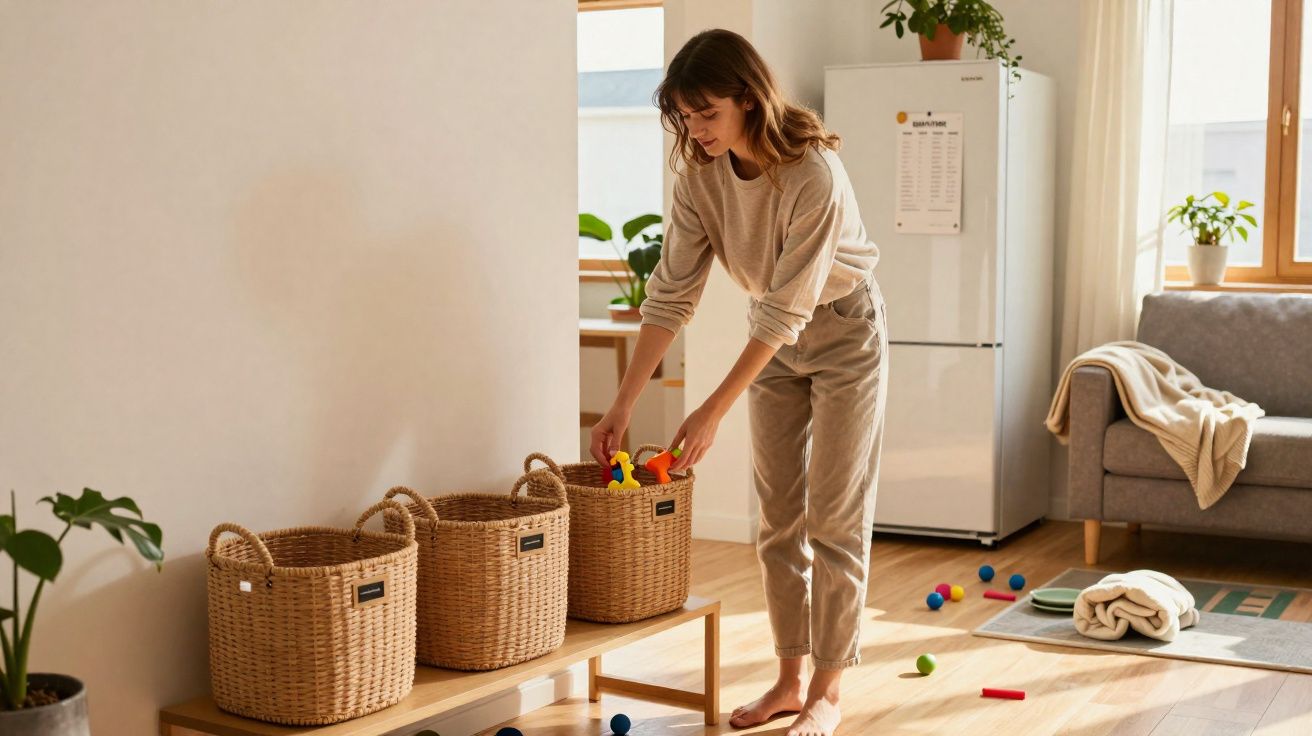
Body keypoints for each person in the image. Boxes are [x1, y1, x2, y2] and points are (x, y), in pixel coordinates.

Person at [588, 28, 887, 736]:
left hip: (844, 329)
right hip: (774, 340)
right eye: (684, 118)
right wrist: (622, 404)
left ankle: (827, 692)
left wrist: (712, 408)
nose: (695, 130)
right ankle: (788, 679)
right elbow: (670, 294)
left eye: (707, 114)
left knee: (834, 515)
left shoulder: (815, 175)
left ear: (749, 100)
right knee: (778, 516)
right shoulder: (700, 179)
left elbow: (791, 306)